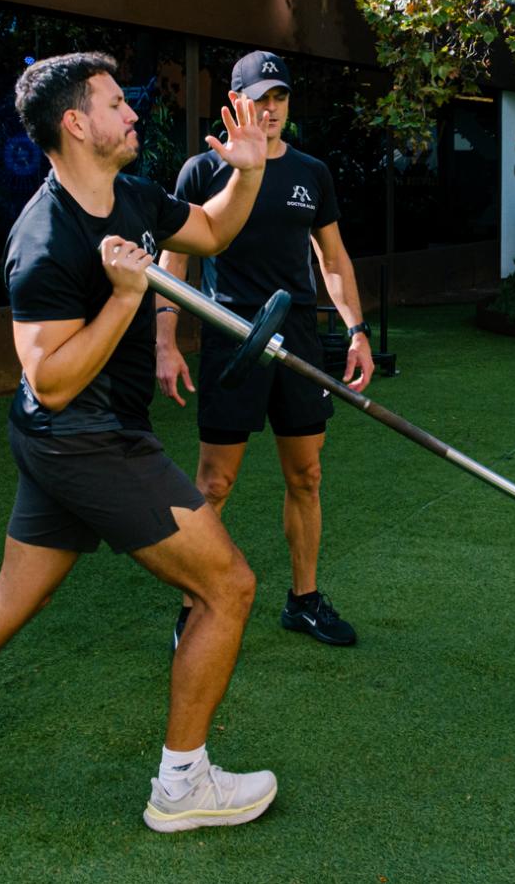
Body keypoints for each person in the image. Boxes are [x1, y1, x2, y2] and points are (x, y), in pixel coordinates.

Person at [0, 52, 279, 834]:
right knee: (229, 587)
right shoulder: (44, 236)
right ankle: (183, 786)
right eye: (118, 104)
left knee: (15, 593)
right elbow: (50, 378)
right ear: (76, 124)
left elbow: (214, 231)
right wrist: (128, 299)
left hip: (69, 438)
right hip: (85, 438)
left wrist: (248, 172)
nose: (133, 115)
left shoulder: (134, 198)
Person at [155, 50, 374, 649]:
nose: (271, 108)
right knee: (215, 483)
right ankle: (193, 605)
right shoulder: (202, 170)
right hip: (230, 335)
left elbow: (332, 259)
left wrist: (356, 331)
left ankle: (303, 600)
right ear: (237, 102)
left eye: (279, 97)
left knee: (306, 473)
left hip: (298, 333)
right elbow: (174, 263)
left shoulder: (311, 173)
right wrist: (166, 340)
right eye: (260, 98)